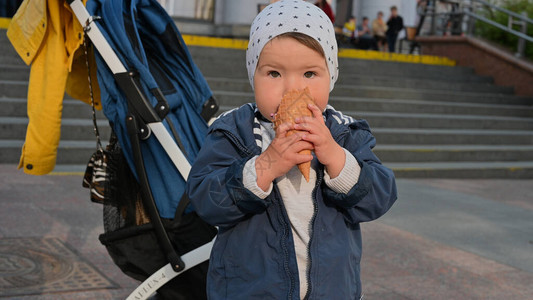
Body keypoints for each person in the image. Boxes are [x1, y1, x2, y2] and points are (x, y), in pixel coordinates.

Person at [186, 1, 397, 299]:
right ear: (253, 75)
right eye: (274, 74)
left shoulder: (345, 133)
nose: (291, 89)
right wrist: (263, 167)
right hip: (249, 290)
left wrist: (335, 157)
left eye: (310, 74)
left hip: (332, 290)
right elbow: (204, 199)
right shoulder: (233, 131)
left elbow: (380, 196)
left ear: (331, 75)